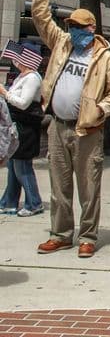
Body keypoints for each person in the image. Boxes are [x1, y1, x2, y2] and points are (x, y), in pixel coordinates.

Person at [31, 0, 110, 258]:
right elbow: (42, 20)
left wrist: (100, 109)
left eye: (80, 26)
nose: (74, 30)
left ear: (92, 27)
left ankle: (87, 236)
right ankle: (60, 234)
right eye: (71, 26)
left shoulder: (106, 58)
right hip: (59, 126)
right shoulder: (62, 44)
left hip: (87, 130)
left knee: (89, 188)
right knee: (59, 186)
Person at [0, 45, 45, 217]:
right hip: (17, 126)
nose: (14, 59)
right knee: (13, 166)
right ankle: (8, 203)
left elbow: (24, 102)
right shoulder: (22, 76)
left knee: (22, 167)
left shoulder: (32, 78)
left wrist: (5, 93)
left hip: (25, 129)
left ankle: (34, 203)